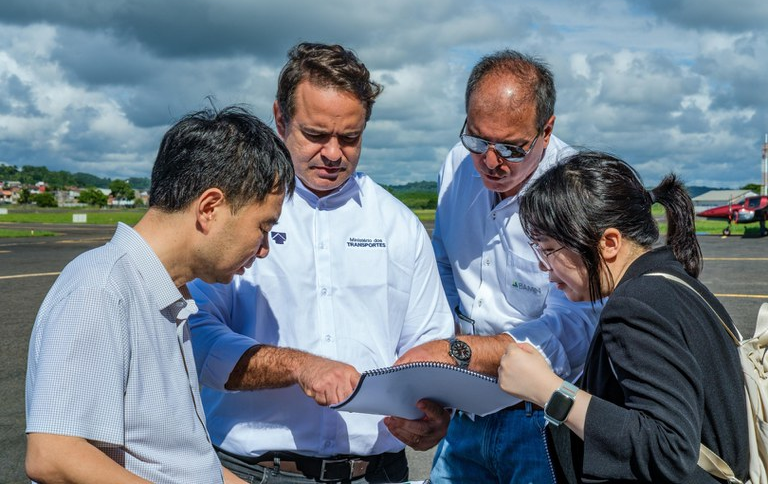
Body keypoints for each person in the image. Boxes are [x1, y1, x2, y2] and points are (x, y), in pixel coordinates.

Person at [187, 42, 454, 483]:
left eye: (349, 138)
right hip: (256, 472)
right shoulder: (232, 216)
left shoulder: (399, 225)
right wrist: (299, 366)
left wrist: (433, 410)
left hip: (377, 472)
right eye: (315, 135)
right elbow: (194, 334)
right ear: (280, 119)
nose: (333, 153)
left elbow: (430, 340)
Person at [25, 106, 295, 483]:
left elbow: (173, 459)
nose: (264, 248)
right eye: (262, 227)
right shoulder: (101, 289)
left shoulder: (163, 295)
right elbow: (54, 455)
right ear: (210, 208)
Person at [389, 50, 600, 483]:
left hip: (539, 417)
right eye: (477, 139)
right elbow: (443, 265)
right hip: (464, 409)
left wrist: (461, 353)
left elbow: (575, 326)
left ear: (547, 130)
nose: (490, 161)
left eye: (511, 147)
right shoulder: (456, 164)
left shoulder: (574, 192)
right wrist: (439, 370)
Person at [498, 150, 749, 483]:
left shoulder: (635, 305)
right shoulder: (673, 283)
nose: (544, 268)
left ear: (609, 242)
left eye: (548, 250)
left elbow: (668, 450)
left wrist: (548, 390)